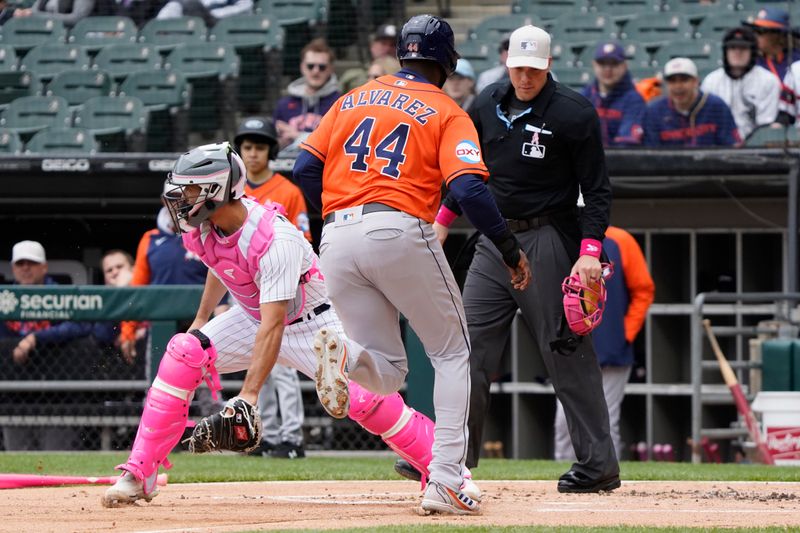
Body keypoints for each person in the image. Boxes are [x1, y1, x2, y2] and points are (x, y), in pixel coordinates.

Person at [102, 142, 457, 510]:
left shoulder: (274, 239)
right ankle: (140, 472)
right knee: (184, 352)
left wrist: (248, 397)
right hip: (253, 313)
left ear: (216, 190)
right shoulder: (206, 226)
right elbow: (217, 265)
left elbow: (274, 327)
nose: (181, 197)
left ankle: (447, 473)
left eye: (190, 189)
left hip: (312, 323)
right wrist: (201, 322)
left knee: (364, 398)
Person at [294, 14, 530, 515]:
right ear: (445, 62)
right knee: (453, 354)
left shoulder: (351, 97)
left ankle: (343, 357)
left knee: (386, 374)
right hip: (398, 228)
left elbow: (303, 167)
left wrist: (334, 216)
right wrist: (509, 248)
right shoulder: (447, 108)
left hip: (337, 235)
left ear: (403, 53)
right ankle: (445, 478)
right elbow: (467, 187)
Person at [428, 24, 620, 494]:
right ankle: (448, 461)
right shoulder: (486, 104)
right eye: (518, 67)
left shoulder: (574, 113)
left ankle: (598, 465)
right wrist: (441, 222)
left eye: (534, 69)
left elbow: (596, 190)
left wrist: (589, 252)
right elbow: (466, 172)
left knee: (565, 351)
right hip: (495, 240)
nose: (526, 77)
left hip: (549, 236)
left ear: (548, 65)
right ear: (507, 63)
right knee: (465, 348)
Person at [234, 116, 309, 458]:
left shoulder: (288, 191)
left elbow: (302, 241)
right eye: (247, 147)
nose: (252, 154)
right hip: (248, 291)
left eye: (259, 147)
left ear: (270, 151)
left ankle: (291, 438)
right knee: (257, 364)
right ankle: (263, 435)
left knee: (284, 367)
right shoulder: (233, 193)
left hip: (281, 287)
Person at [554, 226, 655, 462]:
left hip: (611, 348)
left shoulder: (620, 239)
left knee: (607, 421)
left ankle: (607, 475)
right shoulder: (558, 234)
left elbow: (643, 290)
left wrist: (625, 333)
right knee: (564, 423)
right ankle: (562, 476)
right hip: (570, 346)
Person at [0, 241, 88, 450]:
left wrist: (37, 338)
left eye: (32, 262)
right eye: (21, 263)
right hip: (13, 396)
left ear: (44, 266)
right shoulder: (5, 297)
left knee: (56, 460)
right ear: (13, 268)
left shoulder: (60, 294)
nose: (26, 268)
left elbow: (81, 325)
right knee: (18, 460)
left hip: (57, 396)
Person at [118, 201, 209, 363]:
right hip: (161, 326)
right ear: (164, 200)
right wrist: (128, 331)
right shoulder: (150, 238)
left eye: (184, 198)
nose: (179, 203)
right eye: (173, 198)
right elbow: (137, 289)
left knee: (203, 381)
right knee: (160, 380)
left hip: (200, 323)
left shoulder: (208, 231)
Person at [701, 27, 781, 140]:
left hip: (754, 148)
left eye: (743, 48)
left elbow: (766, 125)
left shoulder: (768, 80)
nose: (737, 52)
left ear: (752, 52)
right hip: (717, 145)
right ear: (725, 51)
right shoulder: (711, 81)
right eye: (732, 48)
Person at [643, 57, 741, 147]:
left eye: (684, 80)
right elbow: (651, 153)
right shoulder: (654, 111)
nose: (678, 86)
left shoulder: (716, 107)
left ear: (695, 82)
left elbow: (731, 147)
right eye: (673, 81)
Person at [273, 38, 340, 150]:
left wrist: (298, 136)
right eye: (310, 66)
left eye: (322, 67)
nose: (315, 71)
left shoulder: (340, 104)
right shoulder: (284, 104)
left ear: (330, 69)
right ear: (302, 67)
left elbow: (337, 143)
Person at [581, 41, 645, 146]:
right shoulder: (585, 96)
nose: (608, 69)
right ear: (594, 65)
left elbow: (626, 143)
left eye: (614, 64)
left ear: (624, 66)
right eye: (602, 63)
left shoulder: (634, 100)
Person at [743, 7, 800, 88]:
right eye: (754, 31)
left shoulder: (797, 59)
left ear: (779, 35)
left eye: (761, 31)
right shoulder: (750, 62)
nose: (756, 35)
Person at [340, 23, 399, 92]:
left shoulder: (406, 75)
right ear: (372, 46)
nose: (388, 48)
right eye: (383, 43)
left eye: (393, 45)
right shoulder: (353, 75)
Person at [155, 0, 251, 26]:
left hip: (219, 23)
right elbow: (171, 9)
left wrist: (214, 15)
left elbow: (246, 7)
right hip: (192, 28)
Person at [12, 0, 94, 27]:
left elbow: (77, 18)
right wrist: (23, 13)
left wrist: (40, 16)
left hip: (68, 32)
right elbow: (34, 11)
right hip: (44, 30)